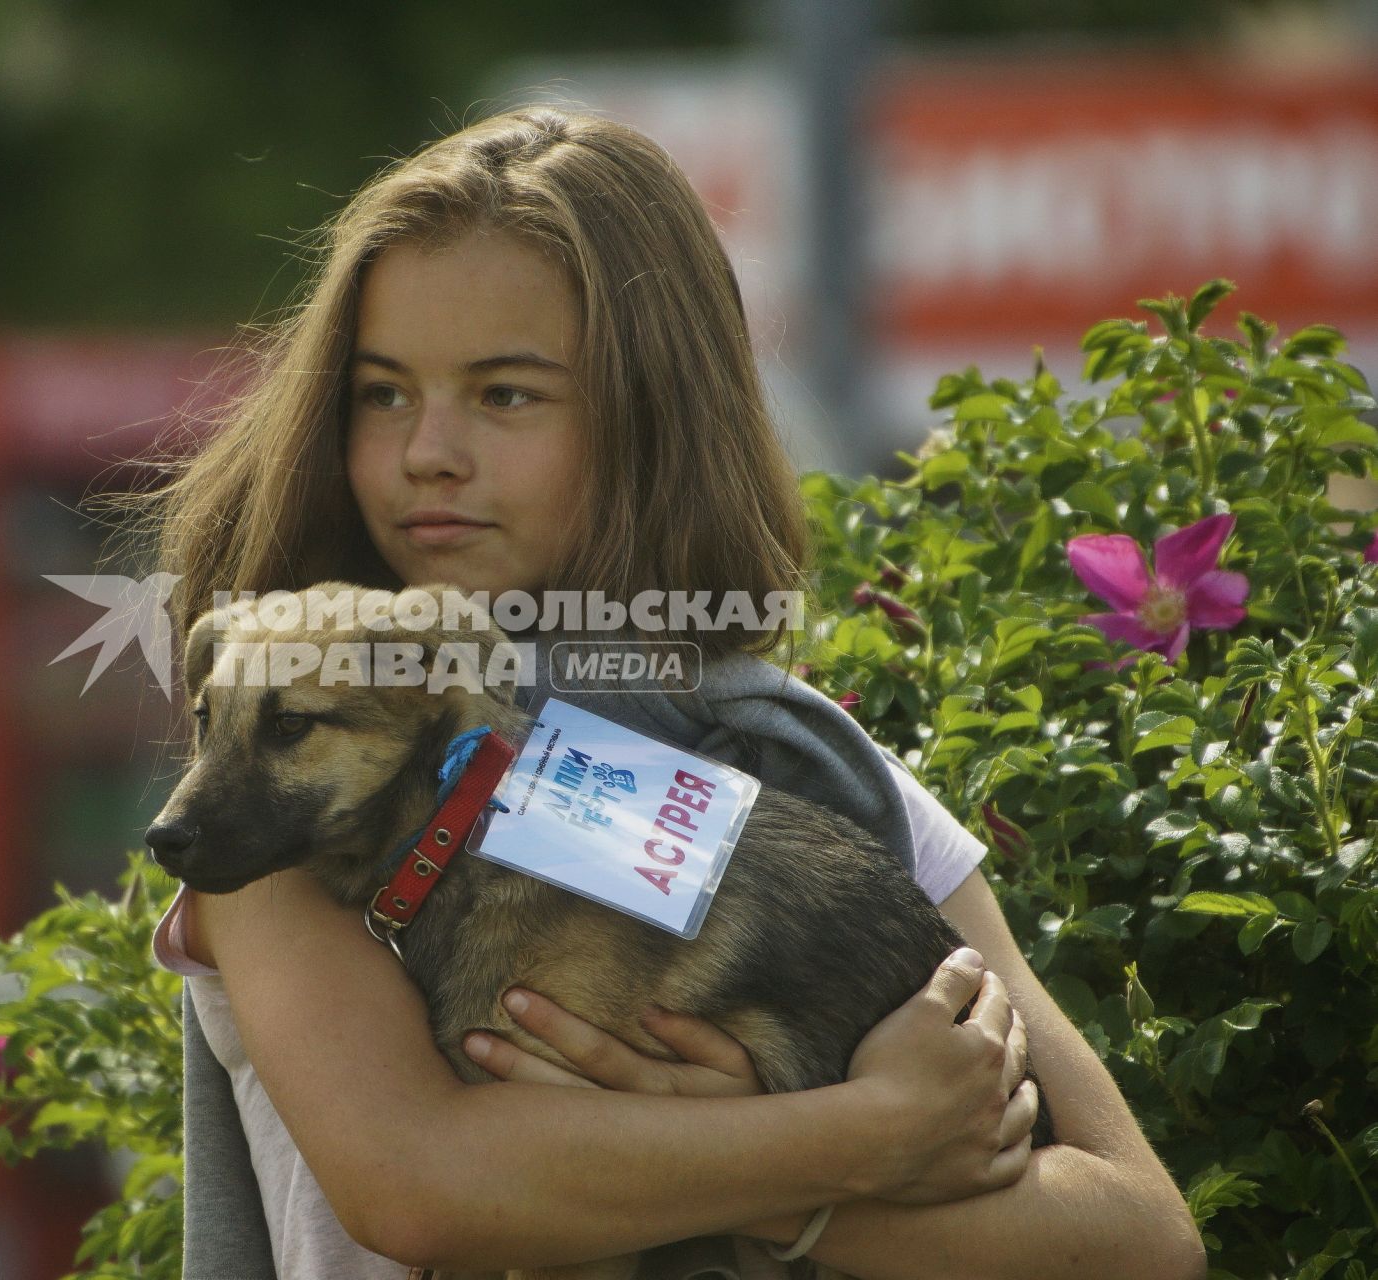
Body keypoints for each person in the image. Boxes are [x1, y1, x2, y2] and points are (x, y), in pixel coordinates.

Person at [131, 106, 1204, 1279]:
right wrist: (857, 1135)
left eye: (504, 394)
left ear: (653, 415)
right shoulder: (292, 788)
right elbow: (422, 1182)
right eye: (381, 392)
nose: (426, 449)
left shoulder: (791, 747)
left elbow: (1139, 1236)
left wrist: (740, 1166)